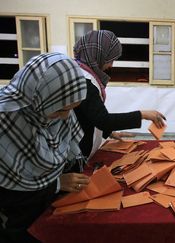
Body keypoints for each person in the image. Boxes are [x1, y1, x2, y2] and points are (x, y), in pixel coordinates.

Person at [0, 53, 88, 242]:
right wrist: (56, 184)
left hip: (46, 206)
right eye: (60, 110)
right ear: (39, 98)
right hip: (18, 218)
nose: (66, 117)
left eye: (71, 108)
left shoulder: (55, 106)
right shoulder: (5, 121)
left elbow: (69, 151)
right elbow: (11, 192)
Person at [72, 30, 166, 159]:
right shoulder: (85, 82)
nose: (111, 65)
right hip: (78, 153)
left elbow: (88, 115)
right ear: (98, 55)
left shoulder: (82, 73)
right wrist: (142, 114)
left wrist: (108, 132)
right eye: (109, 60)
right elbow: (102, 119)